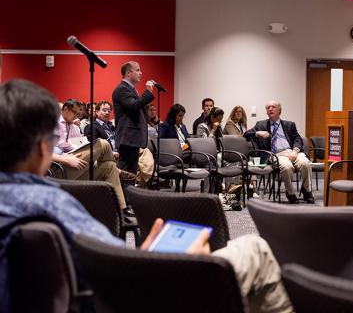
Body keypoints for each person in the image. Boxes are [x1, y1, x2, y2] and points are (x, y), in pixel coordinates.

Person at [0, 79, 292, 313]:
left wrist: (140, 256)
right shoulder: (51, 203)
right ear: (42, 148)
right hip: (133, 298)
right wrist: (156, 260)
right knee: (255, 248)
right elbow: (126, 279)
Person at [51, 99, 132, 214]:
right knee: (103, 143)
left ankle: (120, 210)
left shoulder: (74, 127)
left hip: (78, 163)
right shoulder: (52, 123)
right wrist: (65, 158)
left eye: (78, 114)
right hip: (60, 167)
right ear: (65, 109)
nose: (76, 116)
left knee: (110, 166)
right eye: (74, 113)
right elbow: (43, 151)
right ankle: (118, 170)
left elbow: (82, 143)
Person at [244, 100, 314, 204]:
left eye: (273, 107)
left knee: (306, 163)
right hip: (276, 154)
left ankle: (307, 191)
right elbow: (246, 135)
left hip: (292, 151)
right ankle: (290, 193)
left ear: (279, 110)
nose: (270, 109)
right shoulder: (261, 124)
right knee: (287, 167)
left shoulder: (289, 124)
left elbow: (298, 139)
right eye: (268, 108)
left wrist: (295, 151)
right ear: (266, 112)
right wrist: (258, 133)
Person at [85, 101, 154, 188]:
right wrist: (112, 152)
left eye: (109, 110)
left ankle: (139, 183)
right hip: (108, 155)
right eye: (104, 110)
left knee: (143, 150)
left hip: (120, 151)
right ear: (97, 112)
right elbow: (93, 146)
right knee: (136, 157)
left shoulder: (112, 126)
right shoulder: (92, 127)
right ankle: (145, 180)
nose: (107, 113)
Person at [112, 61, 155, 175]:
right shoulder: (122, 89)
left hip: (132, 139)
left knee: (131, 173)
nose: (141, 73)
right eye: (137, 70)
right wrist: (148, 92)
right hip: (128, 138)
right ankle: (123, 193)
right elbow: (134, 106)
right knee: (127, 173)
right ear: (128, 73)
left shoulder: (130, 89)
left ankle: (127, 192)